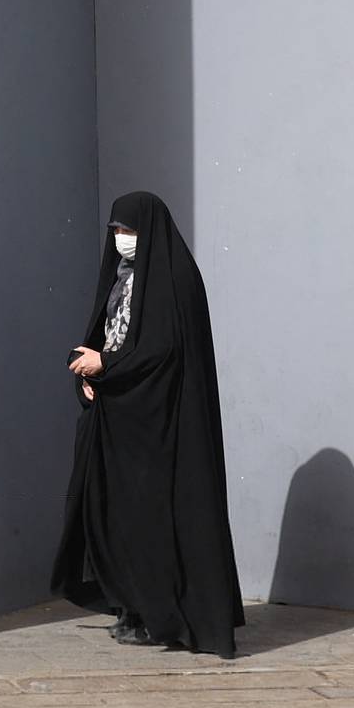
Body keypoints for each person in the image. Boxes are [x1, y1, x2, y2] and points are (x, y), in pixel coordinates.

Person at [50, 191, 243, 659]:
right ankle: (131, 609)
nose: (121, 238)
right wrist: (89, 375)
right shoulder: (121, 278)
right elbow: (105, 339)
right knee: (112, 518)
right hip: (119, 425)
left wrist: (107, 367)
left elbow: (164, 353)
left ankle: (163, 618)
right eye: (115, 230)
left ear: (150, 230)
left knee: (154, 522)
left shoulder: (174, 279)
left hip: (161, 430)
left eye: (129, 230)